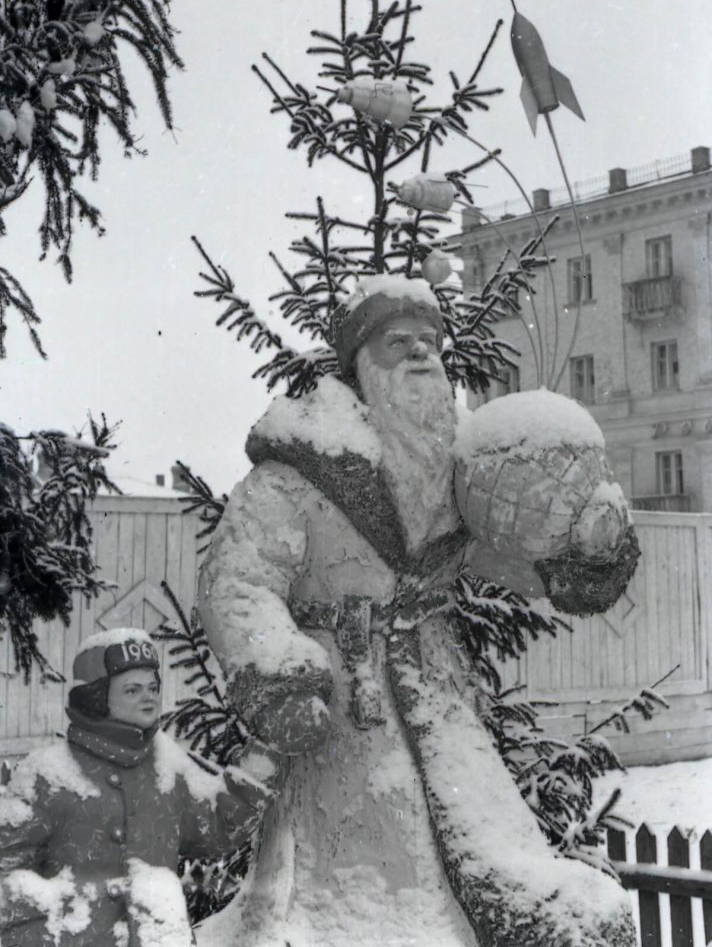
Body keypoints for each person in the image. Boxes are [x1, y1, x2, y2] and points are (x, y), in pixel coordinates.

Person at [197, 275, 637, 947]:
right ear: (360, 363)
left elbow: (516, 557)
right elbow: (239, 581)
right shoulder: (294, 474)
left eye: (431, 342)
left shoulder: (455, 475)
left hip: (438, 703)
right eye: (398, 342)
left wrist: (583, 547)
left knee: (477, 856)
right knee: (351, 885)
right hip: (340, 712)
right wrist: (277, 673)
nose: (421, 354)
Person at [0, 627, 277, 947]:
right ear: (96, 698)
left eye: (153, 687)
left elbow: (215, 829)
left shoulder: (168, 766)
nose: (149, 696)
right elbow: (6, 874)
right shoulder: (48, 775)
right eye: (132, 690)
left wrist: (263, 761)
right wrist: (66, 921)